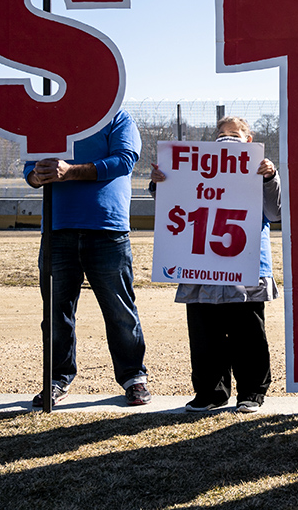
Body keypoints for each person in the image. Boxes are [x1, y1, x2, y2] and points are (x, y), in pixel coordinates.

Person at [150, 116, 279, 413]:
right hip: (199, 265)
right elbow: (172, 205)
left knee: (247, 333)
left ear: (249, 140)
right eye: (221, 134)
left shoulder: (263, 170)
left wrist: (269, 178)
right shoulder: (195, 167)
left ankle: (251, 392)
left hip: (244, 266)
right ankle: (210, 392)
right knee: (204, 333)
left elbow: (274, 214)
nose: (227, 139)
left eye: (234, 133)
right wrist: (161, 184)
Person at [25, 108, 149, 407]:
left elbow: (125, 160)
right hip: (57, 228)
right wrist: (36, 175)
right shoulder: (50, 118)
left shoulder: (118, 116)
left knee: (120, 310)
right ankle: (56, 378)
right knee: (55, 312)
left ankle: (134, 377)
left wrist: (71, 171)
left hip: (106, 226)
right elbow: (30, 167)